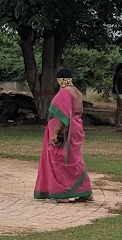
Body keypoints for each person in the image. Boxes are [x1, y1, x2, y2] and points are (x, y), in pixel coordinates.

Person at [35, 66, 92, 202]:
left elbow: (64, 115)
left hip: (65, 132)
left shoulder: (65, 93)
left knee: (59, 159)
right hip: (76, 129)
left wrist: (55, 133)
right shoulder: (77, 92)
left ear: (59, 80)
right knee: (74, 160)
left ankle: (62, 192)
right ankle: (84, 191)